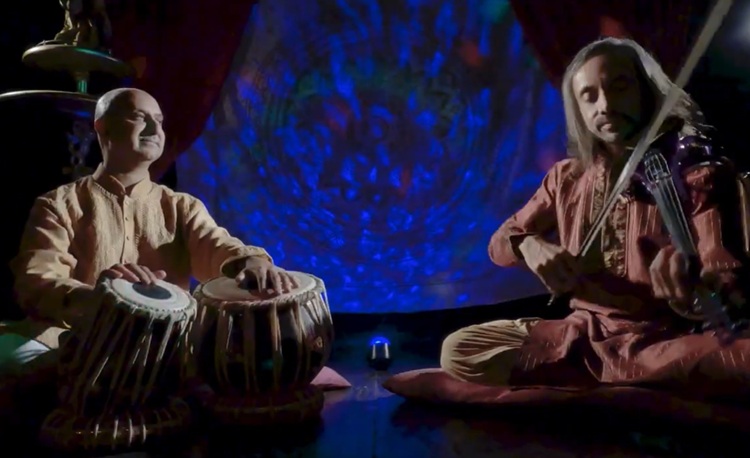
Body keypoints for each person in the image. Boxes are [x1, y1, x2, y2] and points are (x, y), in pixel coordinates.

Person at [440, 37, 750, 401]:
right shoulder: (566, 177)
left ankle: (599, 378)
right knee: (459, 348)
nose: (605, 105)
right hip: (582, 335)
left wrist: (694, 288)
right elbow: (499, 244)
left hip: (668, 339)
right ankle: (630, 380)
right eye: (589, 96)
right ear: (579, 110)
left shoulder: (696, 173)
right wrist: (529, 245)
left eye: (619, 87)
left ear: (646, 91)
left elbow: (725, 280)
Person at [0, 87, 298, 379]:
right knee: (11, 358)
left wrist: (250, 262)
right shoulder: (59, 204)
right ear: (102, 128)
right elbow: (36, 281)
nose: (155, 129)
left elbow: (216, 244)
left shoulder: (181, 206)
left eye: (159, 120)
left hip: (165, 345)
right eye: (138, 117)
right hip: (75, 338)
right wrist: (98, 299)